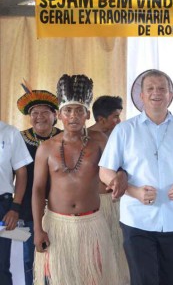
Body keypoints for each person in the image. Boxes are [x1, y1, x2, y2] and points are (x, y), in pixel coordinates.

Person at [99, 69, 173, 285]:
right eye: (150, 88)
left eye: (161, 89)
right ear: (141, 96)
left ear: (170, 95)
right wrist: (134, 191)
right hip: (138, 221)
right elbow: (105, 171)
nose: (156, 93)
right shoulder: (124, 130)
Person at [32, 74, 123, 285]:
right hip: (57, 225)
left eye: (79, 111)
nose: (73, 116)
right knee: (60, 279)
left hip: (91, 223)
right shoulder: (46, 149)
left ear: (87, 114)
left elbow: (116, 171)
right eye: (68, 111)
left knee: (94, 279)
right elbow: (37, 190)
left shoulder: (100, 141)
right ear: (59, 115)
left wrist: (119, 178)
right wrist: (38, 229)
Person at [17, 86, 61, 285]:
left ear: (55, 115)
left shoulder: (65, 137)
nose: (39, 117)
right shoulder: (17, 139)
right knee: (31, 259)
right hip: (27, 210)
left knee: (58, 260)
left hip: (60, 210)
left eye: (45, 112)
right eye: (34, 113)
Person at [89, 95, 129, 285]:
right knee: (105, 252)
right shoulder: (96, 137)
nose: (119, 121)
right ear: (101, 119)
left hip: (108, 202)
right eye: (115, 116)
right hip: (100, 204)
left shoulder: (108, 136)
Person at [0, 121, 32, 285]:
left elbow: (21, 172)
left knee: (1, 265)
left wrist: (15, 207)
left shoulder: (10, 132)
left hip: (2, 207)